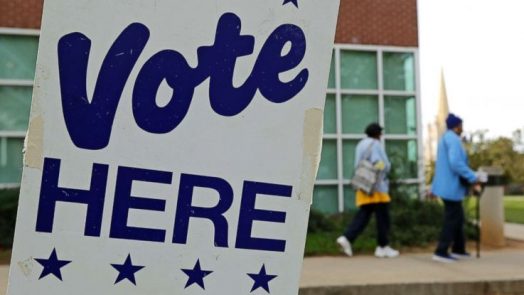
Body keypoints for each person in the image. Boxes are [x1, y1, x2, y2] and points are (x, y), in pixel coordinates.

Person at [336, 123, 399, 258]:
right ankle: (383, 247)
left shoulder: (361, 144)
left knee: (364, 215)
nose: (381, 136)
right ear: (377, 134)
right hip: (376, 187)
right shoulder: (375, 144)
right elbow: (378, 163)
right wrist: (386, 167)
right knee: (383, 218)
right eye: (380, 133)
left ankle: (347, 238)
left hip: (364, 186)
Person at [431, 113, 481, 263]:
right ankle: (441, 251)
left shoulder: (445, 138)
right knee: (452, 219)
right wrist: (473, 176)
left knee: (458, 218)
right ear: (457, 126)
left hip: (446, 186)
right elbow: (456, 163)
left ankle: (458, 249)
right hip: (450, 187)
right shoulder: (453, 140)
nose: (462, 128)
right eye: (461, 125)